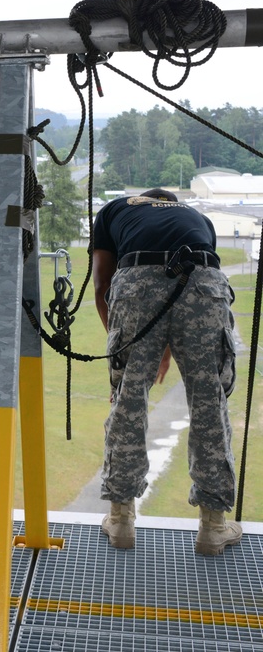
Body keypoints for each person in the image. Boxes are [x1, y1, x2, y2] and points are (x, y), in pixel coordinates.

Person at [92, 188, 241, 555]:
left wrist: (132, 348)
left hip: (137, 284)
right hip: (204, 281)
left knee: (128, 402)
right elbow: (187, 287)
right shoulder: (197, 218)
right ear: (174, 202)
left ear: (142, 198)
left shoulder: (116, 209)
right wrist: (164, 348)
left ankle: (121, 520)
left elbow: (101, 285)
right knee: (210, 404)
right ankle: (213, 527)